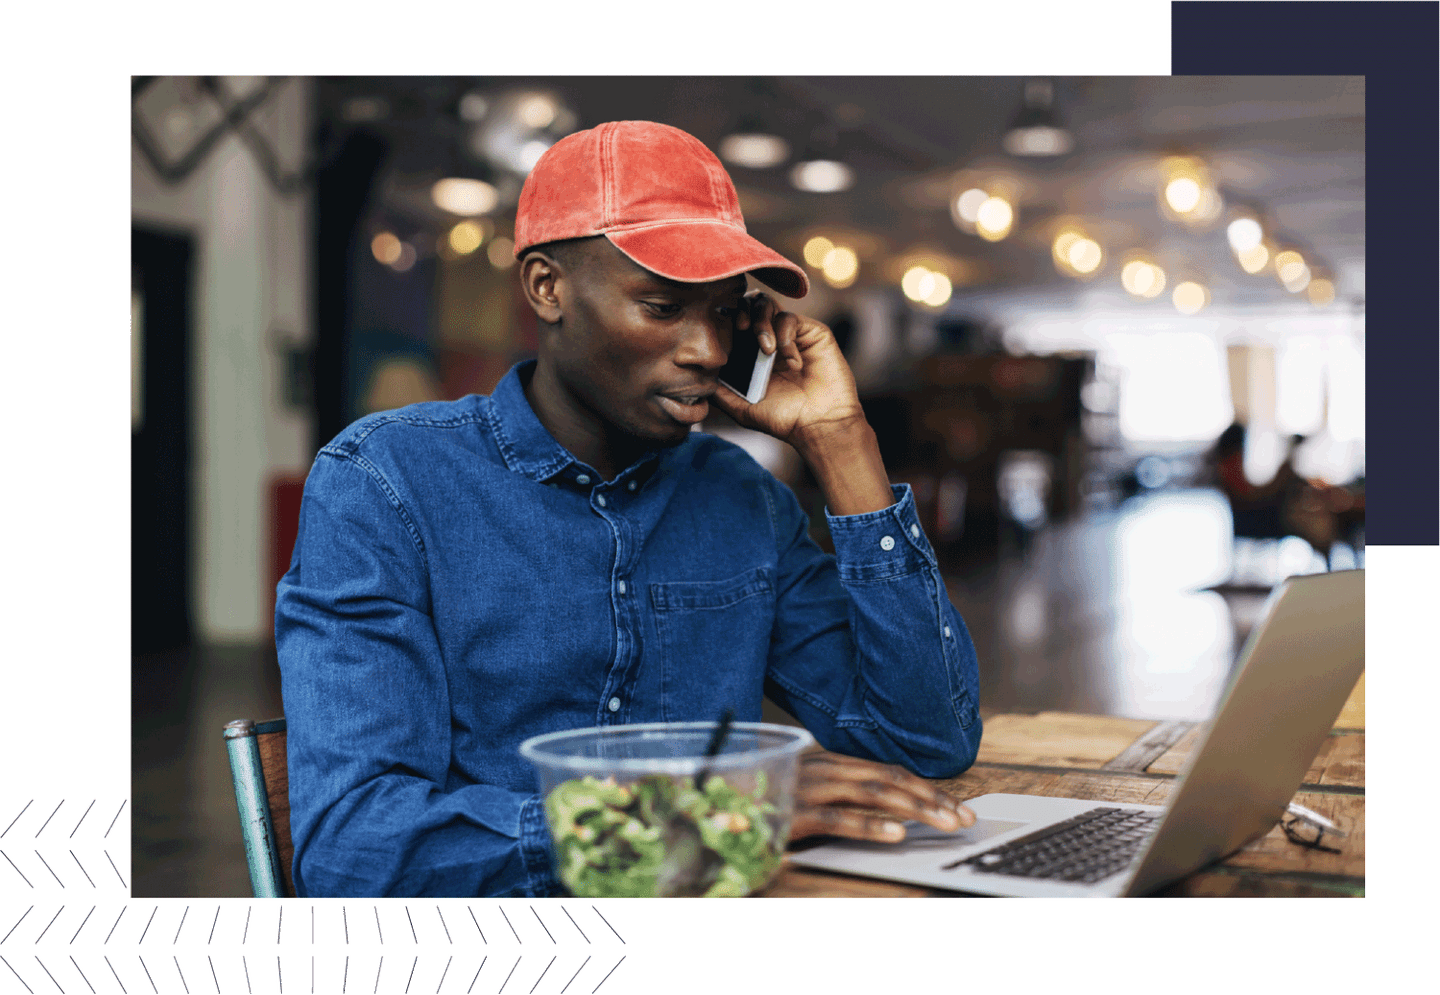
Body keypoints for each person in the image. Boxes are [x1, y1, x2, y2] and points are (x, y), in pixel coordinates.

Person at [275, 121, 983, 897]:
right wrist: (684, 819)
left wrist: (842, 443)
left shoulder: (741, 497)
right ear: (547, 287)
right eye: (661, 307)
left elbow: (926, 740)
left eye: (724, 313)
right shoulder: (384, 482)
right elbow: (353, 849)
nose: (709, 351)